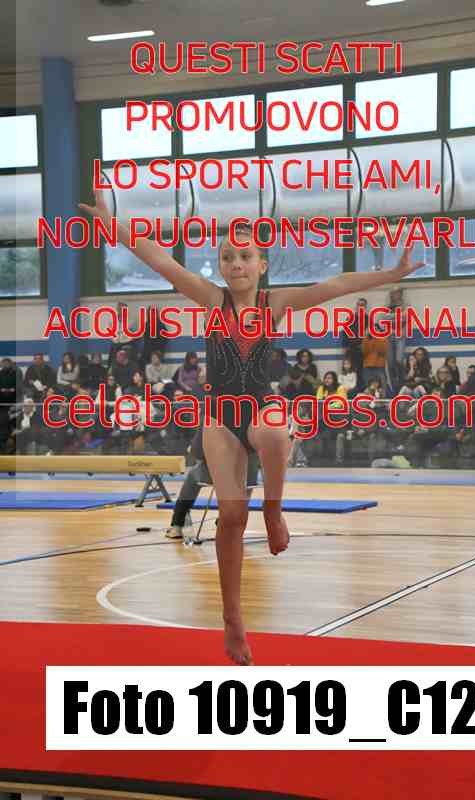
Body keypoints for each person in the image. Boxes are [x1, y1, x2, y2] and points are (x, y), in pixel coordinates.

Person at [80, 187, 423, 666]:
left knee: (276, 432)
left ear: (262, 265)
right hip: (220, 419)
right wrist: (112, 226)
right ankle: (232, 618)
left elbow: (337, 284)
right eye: (227, 257)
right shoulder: (211, 299)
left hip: (260, 409)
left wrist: (389, 275)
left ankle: (275, 511)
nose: (235, 264)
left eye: (245, 257)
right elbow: (159, 259)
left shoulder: (275, 302)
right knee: (231, 518)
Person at [166, 429, 260, 539]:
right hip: (249, 477)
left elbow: (196, 452)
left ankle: (177, 524)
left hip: (218, 474)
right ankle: (229, 519)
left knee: (192, 476)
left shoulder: (212, 421)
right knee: (244, 481)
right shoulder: (256, 423)